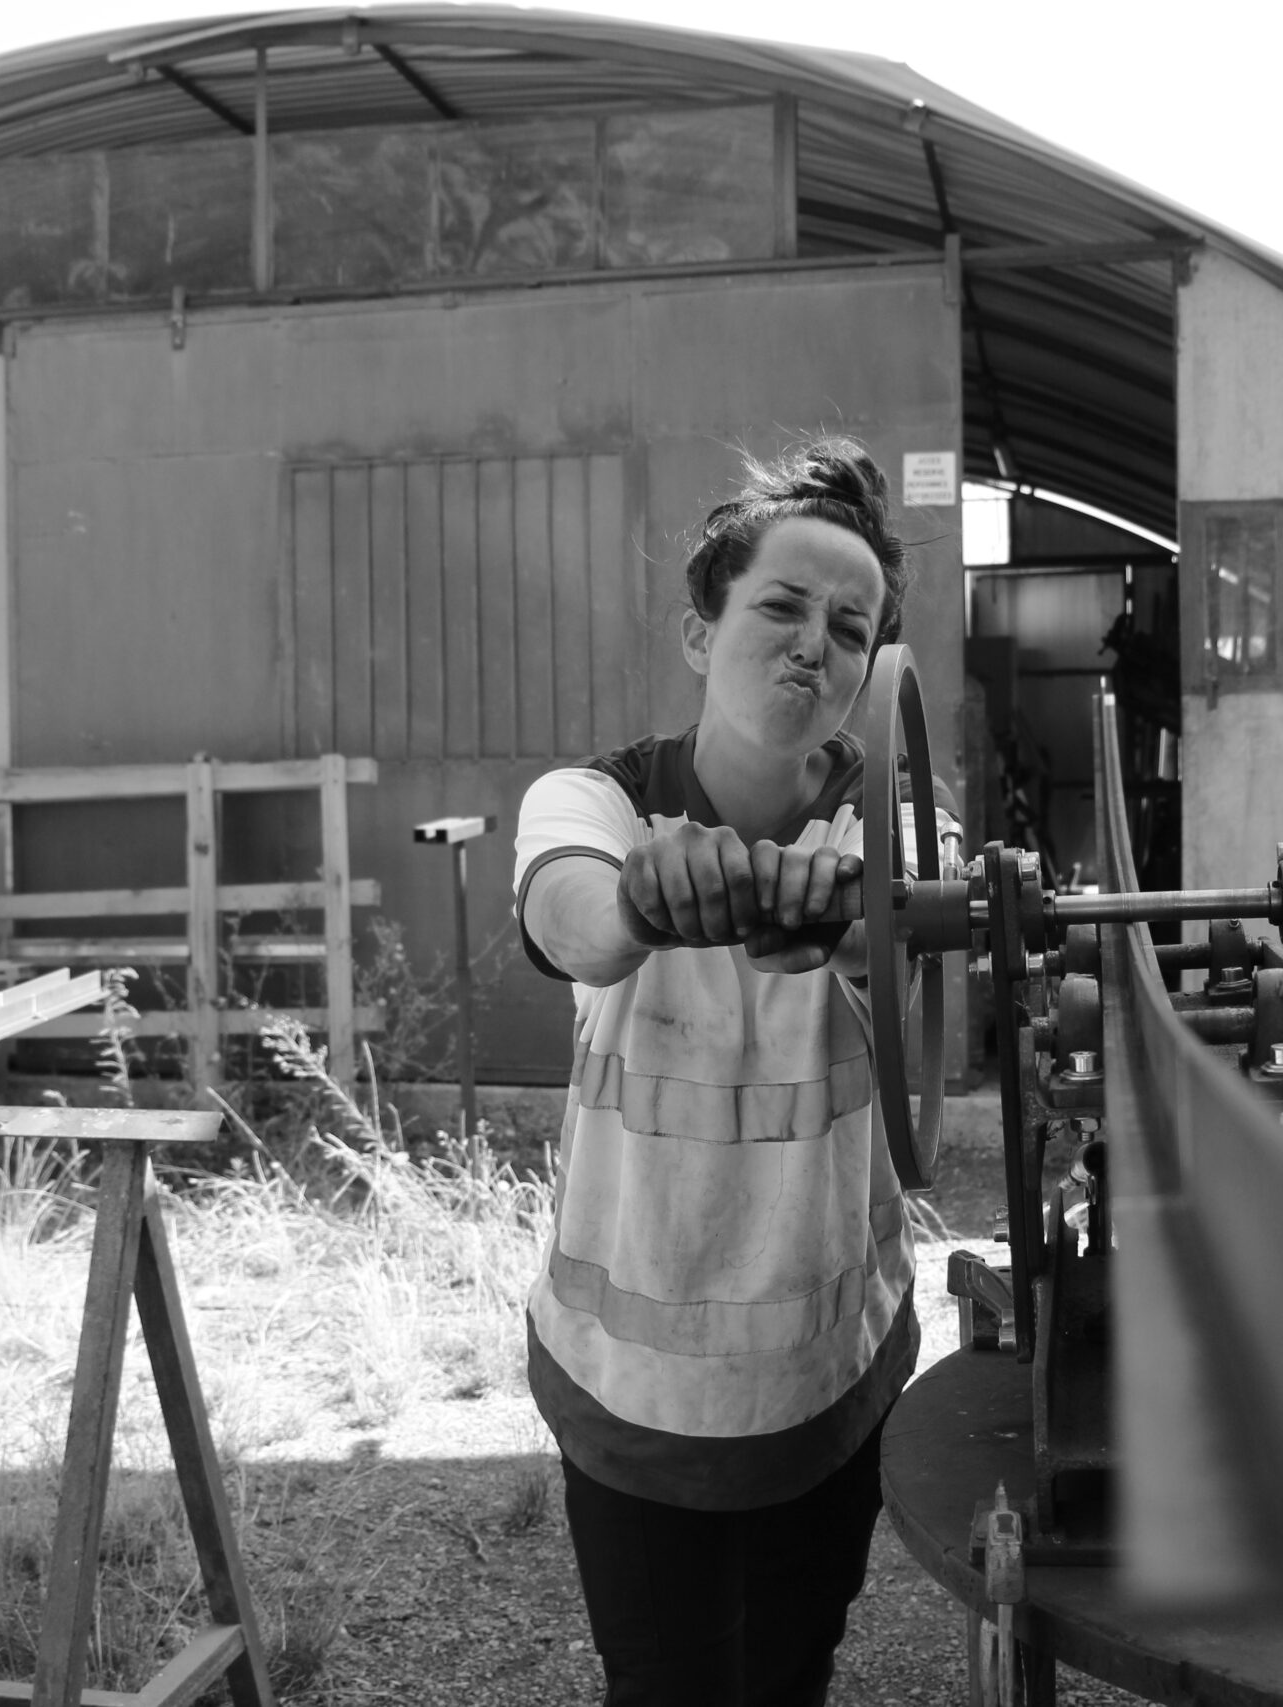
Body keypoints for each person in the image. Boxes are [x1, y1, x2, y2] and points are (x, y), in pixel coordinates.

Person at [511, 439, 948, 1706]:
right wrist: (645, 901)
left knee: (792, 1674)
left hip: (828, 1380)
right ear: (700, 634)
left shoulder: (896, 832)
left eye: (850, 629)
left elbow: (916, 958)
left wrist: (856, 914)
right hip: (632, 1395)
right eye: (780, 609)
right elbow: (574, 923)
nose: (815, 646)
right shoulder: (594, 802)